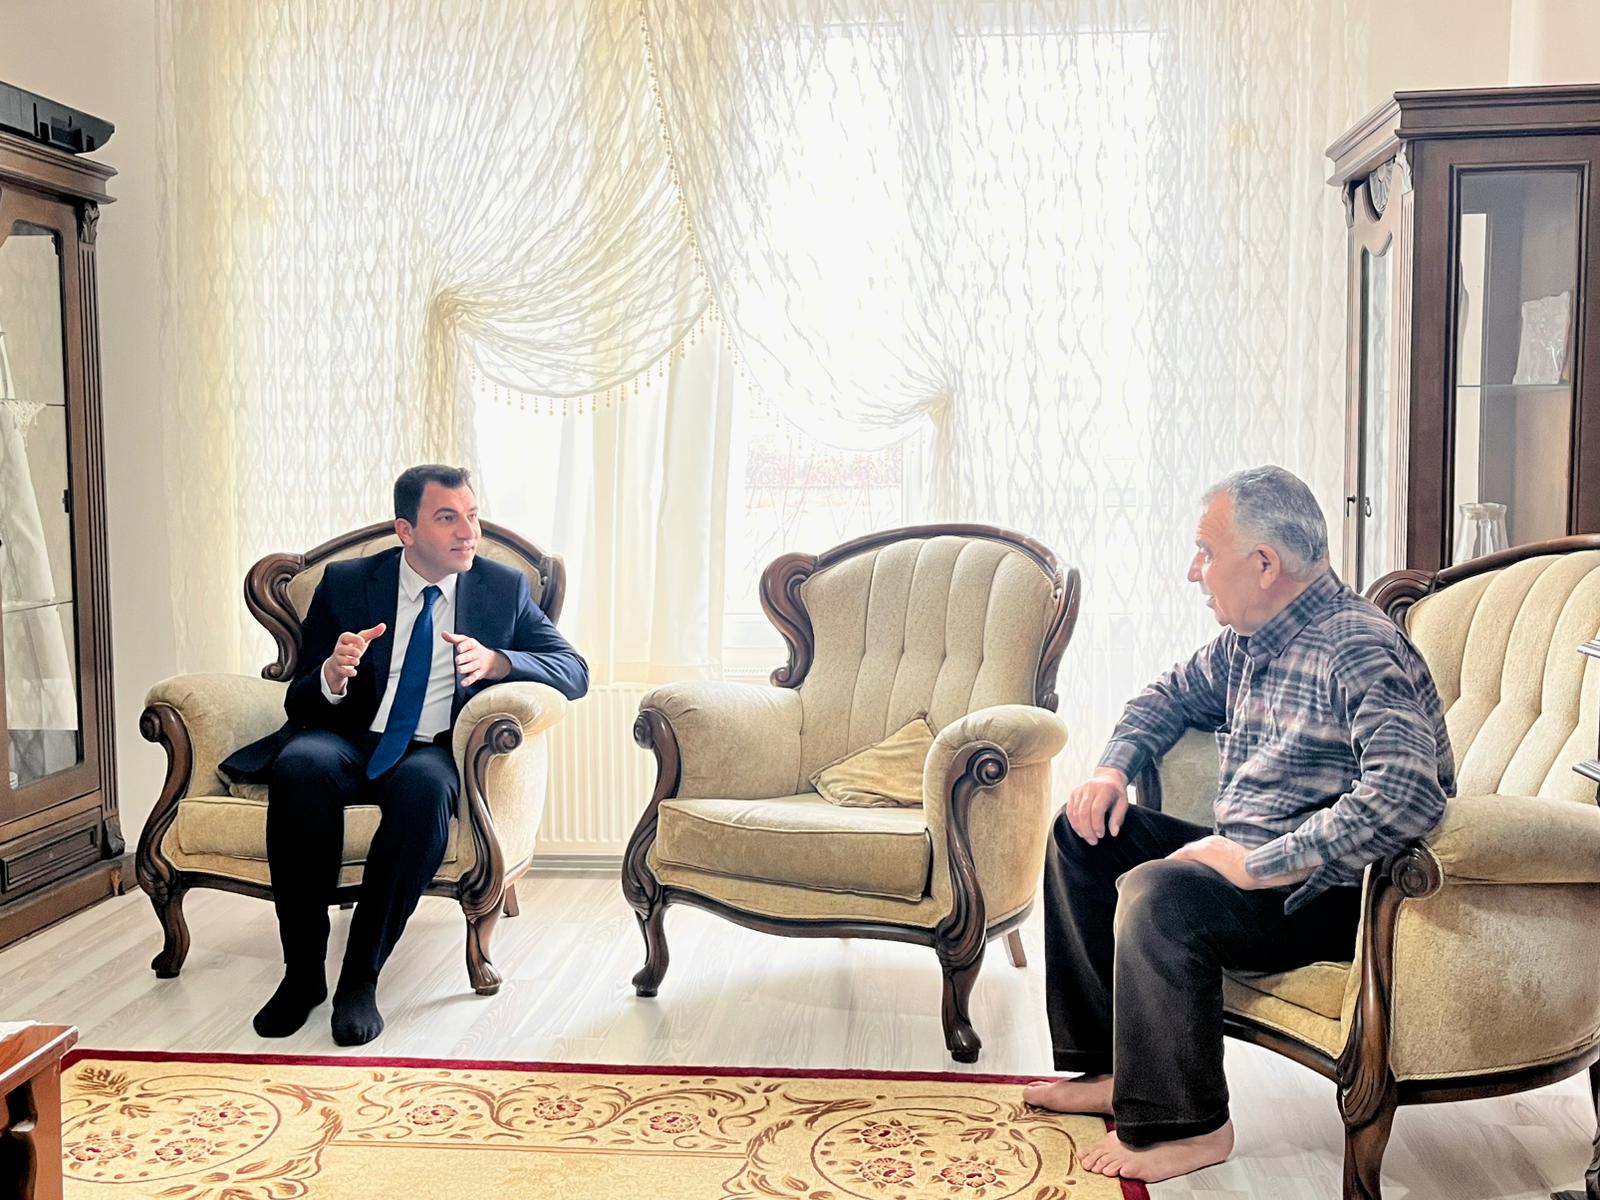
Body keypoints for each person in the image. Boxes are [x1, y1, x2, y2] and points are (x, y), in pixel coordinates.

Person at [1023, 465, 1454, 1184]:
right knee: (1083, 832)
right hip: (1248, 865)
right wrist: (1111, 771)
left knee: (1161, 892)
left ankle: (1190, 1126)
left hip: (1327, 893)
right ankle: (1113, 1068)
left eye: (1205, 552)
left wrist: (1262, 864)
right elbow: (1165, 697)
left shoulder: (1355, 646)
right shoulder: (1250, 642)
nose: (1194, 571)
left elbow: (1408, 793)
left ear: (1263, 564)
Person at [219, 464, 589, 1046]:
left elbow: (574, 670)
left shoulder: (502, 589)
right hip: (348, 735)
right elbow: (298, 696)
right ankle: (303, 974)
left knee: (426, 791)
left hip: (431, 747)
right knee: (300, 766)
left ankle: (360, 979)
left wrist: (498, 662)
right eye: (447, 518)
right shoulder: (346, 583)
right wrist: (331, 676)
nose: (468, 531)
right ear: (406, 530)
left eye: (472, 516)